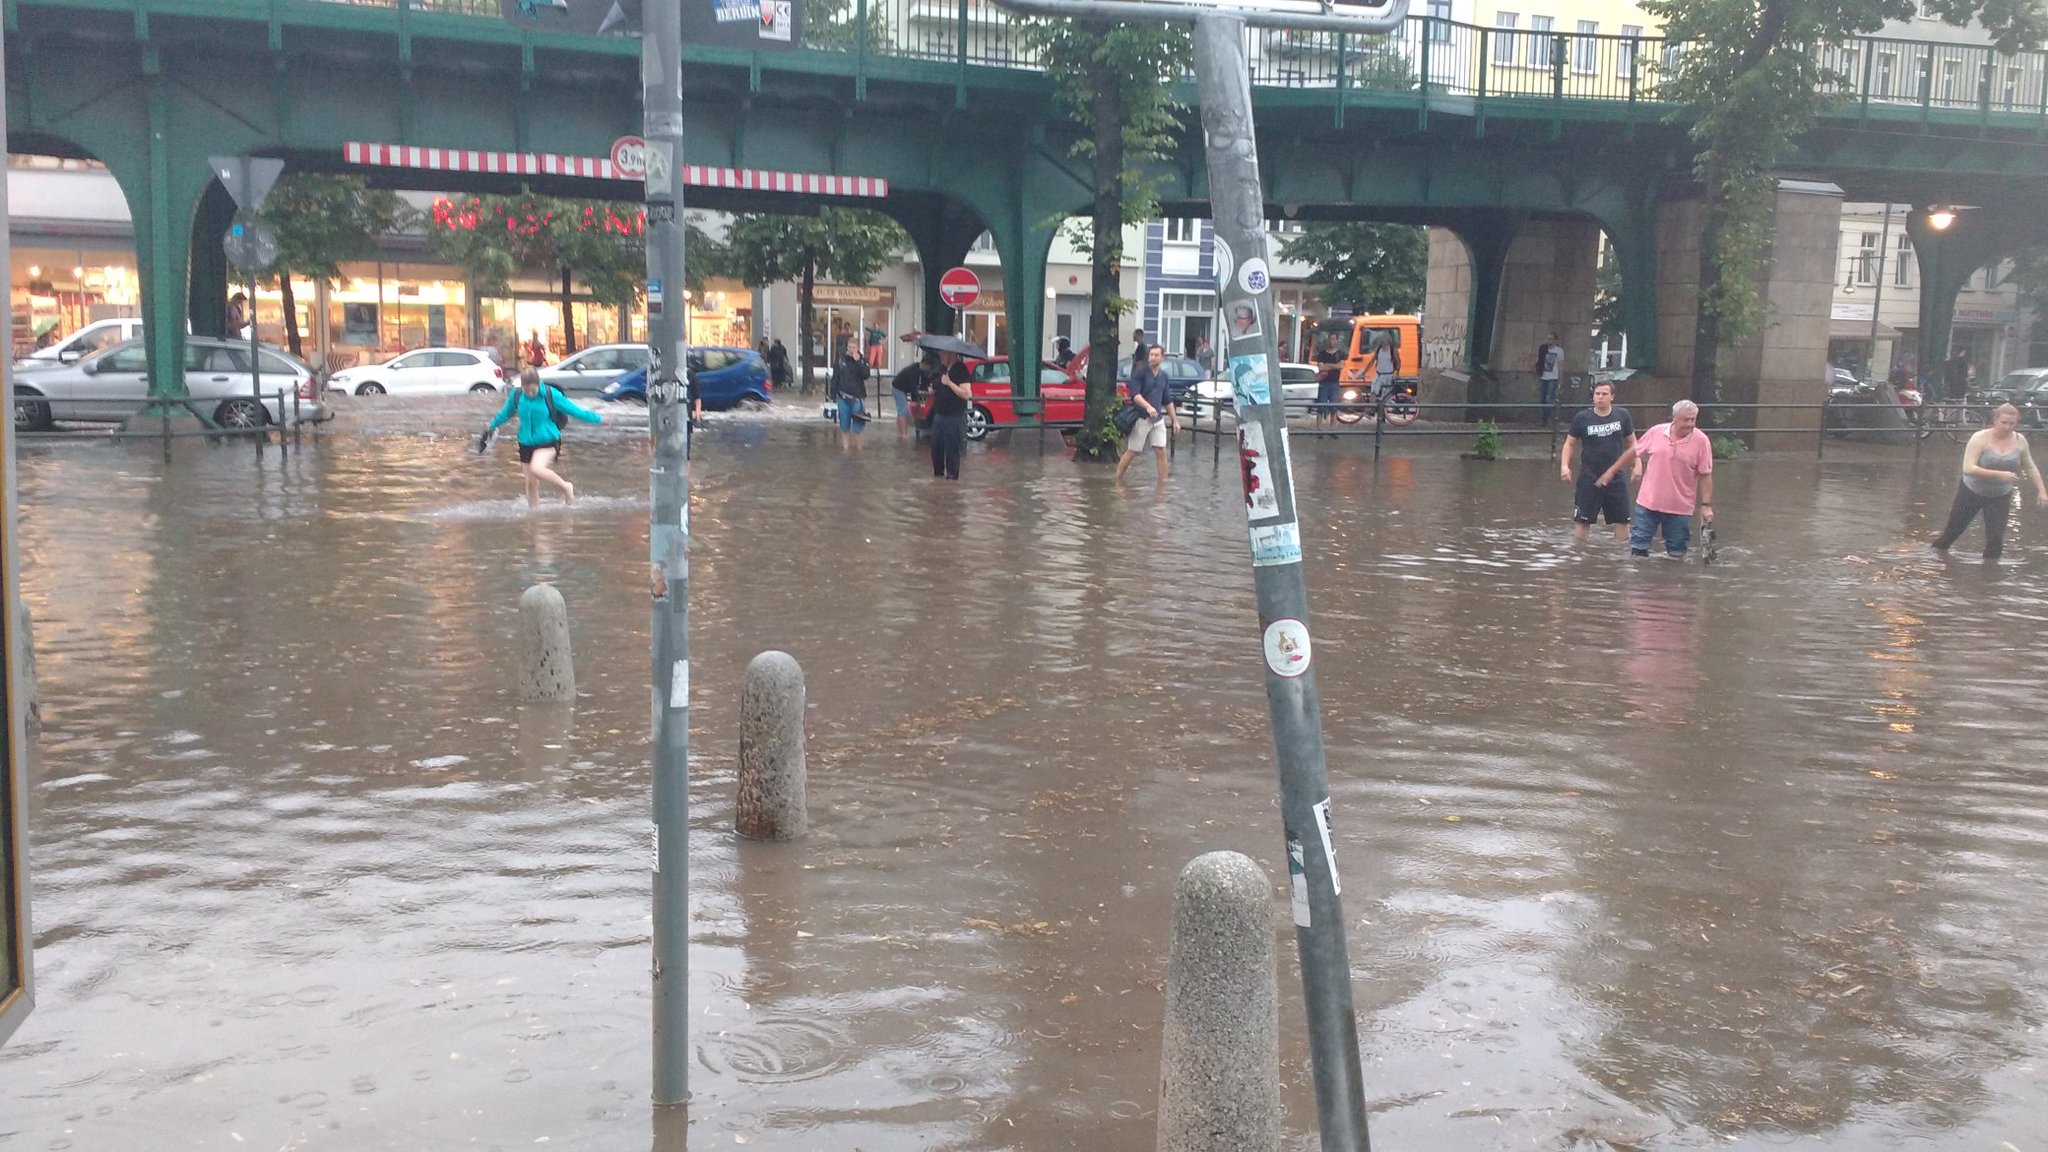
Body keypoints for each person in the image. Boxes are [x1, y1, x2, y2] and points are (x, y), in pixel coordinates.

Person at [1931, 403, 2047, 561]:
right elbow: (1968, 468)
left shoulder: (2020, 441)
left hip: (2000, 495)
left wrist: (2042, 491)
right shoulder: (1979, 438)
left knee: (1995, 539)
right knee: (1951, 534)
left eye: (2012, 424)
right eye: (2003, 423)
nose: (2007, 427)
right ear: (1995, 420)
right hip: (1971, 491)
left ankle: (1989, 576)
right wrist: (1999, 475)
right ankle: (1932, 559)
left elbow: (2030, 466)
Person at [483, 367, 602, 508]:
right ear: (522, 386)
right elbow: (505, 414)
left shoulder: (551, 394)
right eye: (527, 391)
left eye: (533, 390)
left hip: (548, 441)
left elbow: (574, 410)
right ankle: (534, 518)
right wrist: (492, 426)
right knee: (531, 484)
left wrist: (598, 419)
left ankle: (566, 487)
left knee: (537, 468)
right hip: (525, 442)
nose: (530, 394)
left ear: (538, 383)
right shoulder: (517, 395)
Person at [1627, 399, 1714, 558]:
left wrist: (1706, 505)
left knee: (1676, 553)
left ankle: (1673, 580)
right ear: (1674, 418)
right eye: (1685, 419)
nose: (1689, 424)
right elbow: (1634, 451)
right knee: (1638, 548)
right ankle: (1638, 580)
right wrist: (1614, 471)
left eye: (1693, 419)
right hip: (1648, 503)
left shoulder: (1701, 441)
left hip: (1680, 507)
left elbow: (1705, 475)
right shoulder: (1656, 432)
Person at [1560, 380, 1638, 542]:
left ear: (1612, 397)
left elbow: (1633, 443)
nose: (1600, 397)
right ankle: (1579, 553)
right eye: (1597, 394)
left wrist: (1637, 464)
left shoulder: (1622, 415)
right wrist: (1564, 466)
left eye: (1604, 394)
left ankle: (1621, 555)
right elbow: (1569, 443)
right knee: (1583, 519)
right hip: (1589, 475)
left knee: (1623, 520)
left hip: (1616, 475)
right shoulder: (1582, 418)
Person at [1116, 344, 1179, 483]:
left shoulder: (1164, 377)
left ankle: (1163, 483)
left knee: (1161, 450)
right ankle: (1117, 479)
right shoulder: (1140, 372)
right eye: (1151, 355)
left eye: (1156, 355)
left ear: (1162, 358)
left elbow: (1167, 400)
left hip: (1158, 420)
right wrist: (1148, 407)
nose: (1152, 358)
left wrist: (1175, 420)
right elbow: (1135, 395)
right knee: (1133, 451)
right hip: (1142, 417)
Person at [927, 349, 972, 480]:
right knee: (935, 448)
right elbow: (936, 385)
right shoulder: (942, 369)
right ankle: (938, 478)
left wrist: (950, 383)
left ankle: (952, 479)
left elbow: (966, 394)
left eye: (943, 354)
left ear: (951, 354)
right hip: (939, 414)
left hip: (954, 416)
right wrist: (932, 389)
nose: (941, 356)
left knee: (952, 451)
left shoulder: (960, 369)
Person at [831, 336, 869, 450]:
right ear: (847, 347)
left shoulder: (862, 360)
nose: (851, 350)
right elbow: (835, 377)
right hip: (843, 397)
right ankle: (845, 449)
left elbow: (866, 375)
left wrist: (858, 362)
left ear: (858, 348)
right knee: (844, 425)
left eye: (854, 347)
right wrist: (832, 394)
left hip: (857, 397)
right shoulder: (841, 360)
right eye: (849, 347)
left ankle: (859, 449)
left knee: (858, 427)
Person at [891, 349, 937, 441]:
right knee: (902, 411)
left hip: (902, 389)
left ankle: (899, 433)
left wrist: (925, 389)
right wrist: (916, 399)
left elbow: (925, 381)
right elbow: (913, 388)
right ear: (925, 364)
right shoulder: (913, 371)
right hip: (898, 389)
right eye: (929, 367)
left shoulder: (921, 371)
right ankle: (903, 435)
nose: (929, 370)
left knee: (903, 411)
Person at [1312, 331, 1343, 428]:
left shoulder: (1340, 354)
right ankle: (1319, 429)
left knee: (1334, 407)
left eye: (1333, 339)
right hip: (1323, 383)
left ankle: (1332, 429)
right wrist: (1335, 366)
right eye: (1330, 339)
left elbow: (1341, 366)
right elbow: (1321, 368)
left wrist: (1328, 365)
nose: (1331, 341)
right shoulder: (1322, 354)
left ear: (1337, 341)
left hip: (1334, 383)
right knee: (1321, 406)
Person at [1533, 333, 1564, 425]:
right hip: (1543, 376)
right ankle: (1544, 417)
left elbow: (1561, 366)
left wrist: (1560, 379)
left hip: (1553, 377)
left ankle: (1545, 418)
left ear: (1555, 340)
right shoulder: (1543, 349)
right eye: (1548, 339)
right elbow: (1539, 360)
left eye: (1551, 339)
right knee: (1542, 398)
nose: (1549, 341)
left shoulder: (1559, 351)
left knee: (1549, 397)